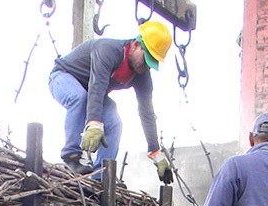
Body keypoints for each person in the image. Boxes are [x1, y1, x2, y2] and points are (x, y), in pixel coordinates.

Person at [49, 20, 174, 183]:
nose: (147, 66)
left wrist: (155, 152)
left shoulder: (142, 76)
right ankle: (71, 156)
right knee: (79, 97)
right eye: (146, 59)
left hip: (91, 91)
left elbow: (147, 112)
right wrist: (94, 122)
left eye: (152, 62)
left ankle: (101, 174)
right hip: (63, 77)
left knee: (114, 122)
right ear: (136, 45)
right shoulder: (109, 50)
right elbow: (97, 85)